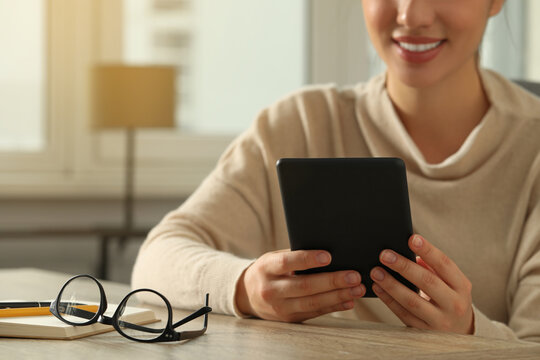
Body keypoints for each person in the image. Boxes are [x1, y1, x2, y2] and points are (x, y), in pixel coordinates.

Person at [132, 0, 540, 342]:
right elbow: (157, 260)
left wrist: (469, 332)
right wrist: (246, 288)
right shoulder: (300, 123)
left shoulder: (531, 149)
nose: (411, 15)